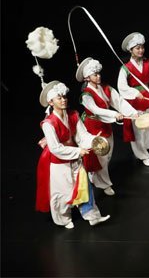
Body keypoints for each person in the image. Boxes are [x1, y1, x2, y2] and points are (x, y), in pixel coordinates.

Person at [35, 81, 111, 228]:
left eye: (64, 97)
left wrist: (93, 141)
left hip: (75, 157)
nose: (63, 100)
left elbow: (82, 136)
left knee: (84, 186)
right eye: (59, 98)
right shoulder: (48, 123)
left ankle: (92, 216)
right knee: (63, 193)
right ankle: (63, 219)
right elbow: (56, 148)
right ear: (51, 102)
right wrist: (78, 151)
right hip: (58, 161)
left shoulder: (73, 114)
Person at [76, 58, 138, 196]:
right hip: (93, 127)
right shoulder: (86, 95)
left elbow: (119, 101)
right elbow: (96, 110)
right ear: (87, 77)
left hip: (106, 125)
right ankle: (104, 184)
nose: (98, 76)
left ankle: (95, 175)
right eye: (95, 75)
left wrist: (133, 113)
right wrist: (114, 114)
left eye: (99, 74)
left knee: (107, 155)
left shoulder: (106, 88)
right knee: (101, 157)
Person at [117, 32, 149, 166]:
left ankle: (144, 148)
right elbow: (121, 87)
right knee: (138, 128)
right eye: (137, 48)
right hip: (134, 102)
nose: (141, 50)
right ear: (130, 50)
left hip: (148, 98)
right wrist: (134, 92)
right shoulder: (126, 68)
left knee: (148, 125)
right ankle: (141, 154)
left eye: (142, 47)